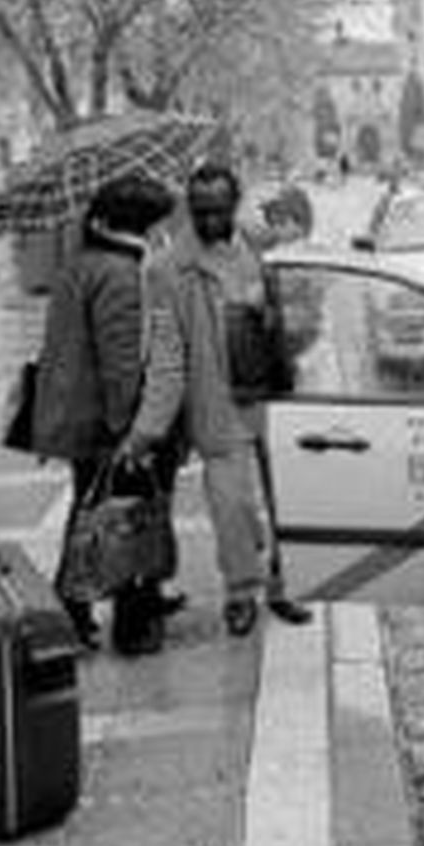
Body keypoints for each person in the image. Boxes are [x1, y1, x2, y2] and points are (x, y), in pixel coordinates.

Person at [122, 162, 310, 637]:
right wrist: (147, 430)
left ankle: (284, 584)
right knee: (232, 506)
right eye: (200, 211)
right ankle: (241, 591)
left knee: (290, 498)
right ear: (189, 207)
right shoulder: (166, 271)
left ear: (236, 204)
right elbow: (166, 357)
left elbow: (304, 317)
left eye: (218, 211)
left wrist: (278, 316)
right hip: (217, 400)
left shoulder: (264, 251)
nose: (209, 222)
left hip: (272, 393)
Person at [30, 175, 177, 655]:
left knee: (88, 512)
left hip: (76, 413)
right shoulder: (120, 273)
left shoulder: (84, 262)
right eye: (157, 224)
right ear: (139, 225)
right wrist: (133, 434)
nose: (163, 233)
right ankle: (132, 623)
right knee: (123, 516)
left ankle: (75, 610)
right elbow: (121, 364)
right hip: (105, 421)